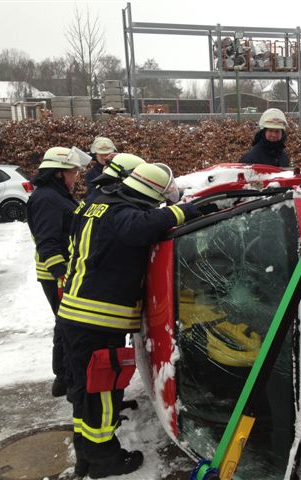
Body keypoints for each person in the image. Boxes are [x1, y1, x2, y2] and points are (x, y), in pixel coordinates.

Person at [58, 162, 201, 478]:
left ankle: (86, 452)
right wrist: (184, 212)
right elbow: (141, 226)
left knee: (85, 390)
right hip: (98, 319)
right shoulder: (124, 214)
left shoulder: (98, 202)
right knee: (104, 391)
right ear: (149, 195)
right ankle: (104, 459)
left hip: (75, 313)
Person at [26, 147, 84, 398]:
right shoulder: (47, 199)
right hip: (56, 275)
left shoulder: (56, 195)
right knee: (67, 327)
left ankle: (63, 379)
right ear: (59, 173)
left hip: (61, 272)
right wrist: (61, 275)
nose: (76, 178)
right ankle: (67, 380)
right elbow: (47, 242)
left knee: (64, 325)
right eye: (73, 172)